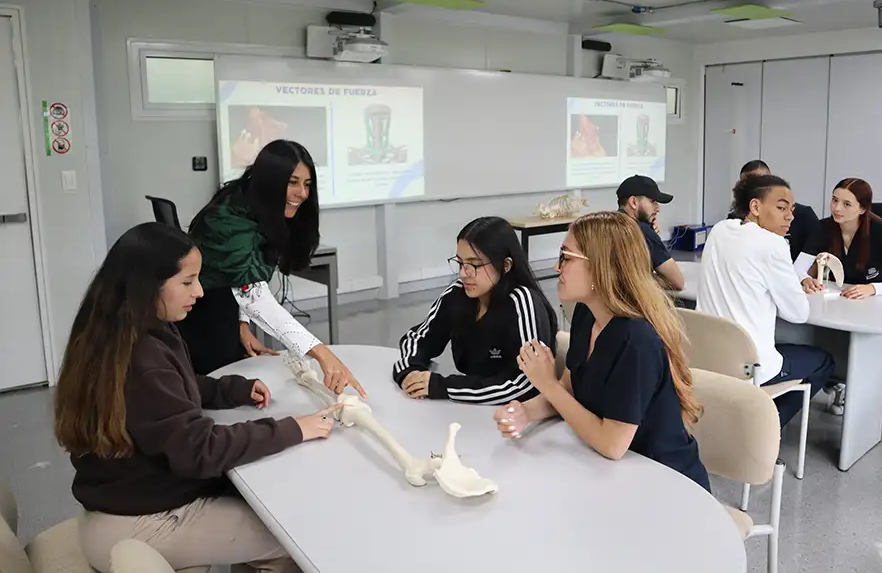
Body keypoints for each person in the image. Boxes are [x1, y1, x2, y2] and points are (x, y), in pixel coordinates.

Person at [54, 223, 339, 573]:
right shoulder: (143, 359)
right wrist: (293, 428)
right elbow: (201, 450)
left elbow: (170, 390)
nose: (200, 292)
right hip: (140, 522)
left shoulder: (120, 331)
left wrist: (229, 390)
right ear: (148, 285)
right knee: (295, 540)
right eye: (187, 282)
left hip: (120, 502)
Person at [493, 211, 710, 492]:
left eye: (567, 258)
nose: (558, 267)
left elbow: (612, 444)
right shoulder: (586, 314)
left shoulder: (636, 340)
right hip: (614, 472)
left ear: (601, 268)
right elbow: (568, 391)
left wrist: (546, 384)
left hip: (666, 483)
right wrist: (525, 411)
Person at [178, 139, 364, 396]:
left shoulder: (252, 202)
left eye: (307, 184)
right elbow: (253, 294)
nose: (302, 193)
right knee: (217, 395)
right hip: (201, 319)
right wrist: (321, 352)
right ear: (271, 180)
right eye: (292, 182)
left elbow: (240, 277)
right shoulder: (228, 220)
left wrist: (241, 325)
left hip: (223, 310)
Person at [698, 175, 834, 427]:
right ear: (755, 207)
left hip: (706, 358)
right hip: (749, 367)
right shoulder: (773, 244)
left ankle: (746, 423)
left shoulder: (719, 230)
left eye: (792, 210)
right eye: (781, 208)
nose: (790, 216)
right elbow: (798, 313)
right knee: (823, 361)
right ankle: (763, 432)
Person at [393, 217, 558, 404]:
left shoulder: (523, 302)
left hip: (516, 415)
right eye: (461, 263)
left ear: (506, 266)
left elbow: (527, 384)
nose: (464, 273)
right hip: (472, 409)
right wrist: (410, 372)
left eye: (475, 265)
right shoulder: (457, 293)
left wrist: (444, 386)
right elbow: (418, 339)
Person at [795, 178, 882, 299]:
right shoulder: (823, 227)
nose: (837, 208)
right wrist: (805, 279)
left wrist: (872, 288)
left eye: (846, 204)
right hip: (840, 300)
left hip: (877, 302)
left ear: (862, 209)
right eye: (834, 200)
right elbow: (797, 268)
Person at [738, 159, 819, 261]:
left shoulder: (804, 215)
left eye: (783, 208)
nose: (789, 217)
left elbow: (817, 252)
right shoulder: (731, 224)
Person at [616, 174, 685, 290]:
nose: (658, 209)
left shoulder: (606, 224)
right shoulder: (641, 231)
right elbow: (677, 282)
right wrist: (649, 278)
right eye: (653, 202)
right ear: (633, 202)